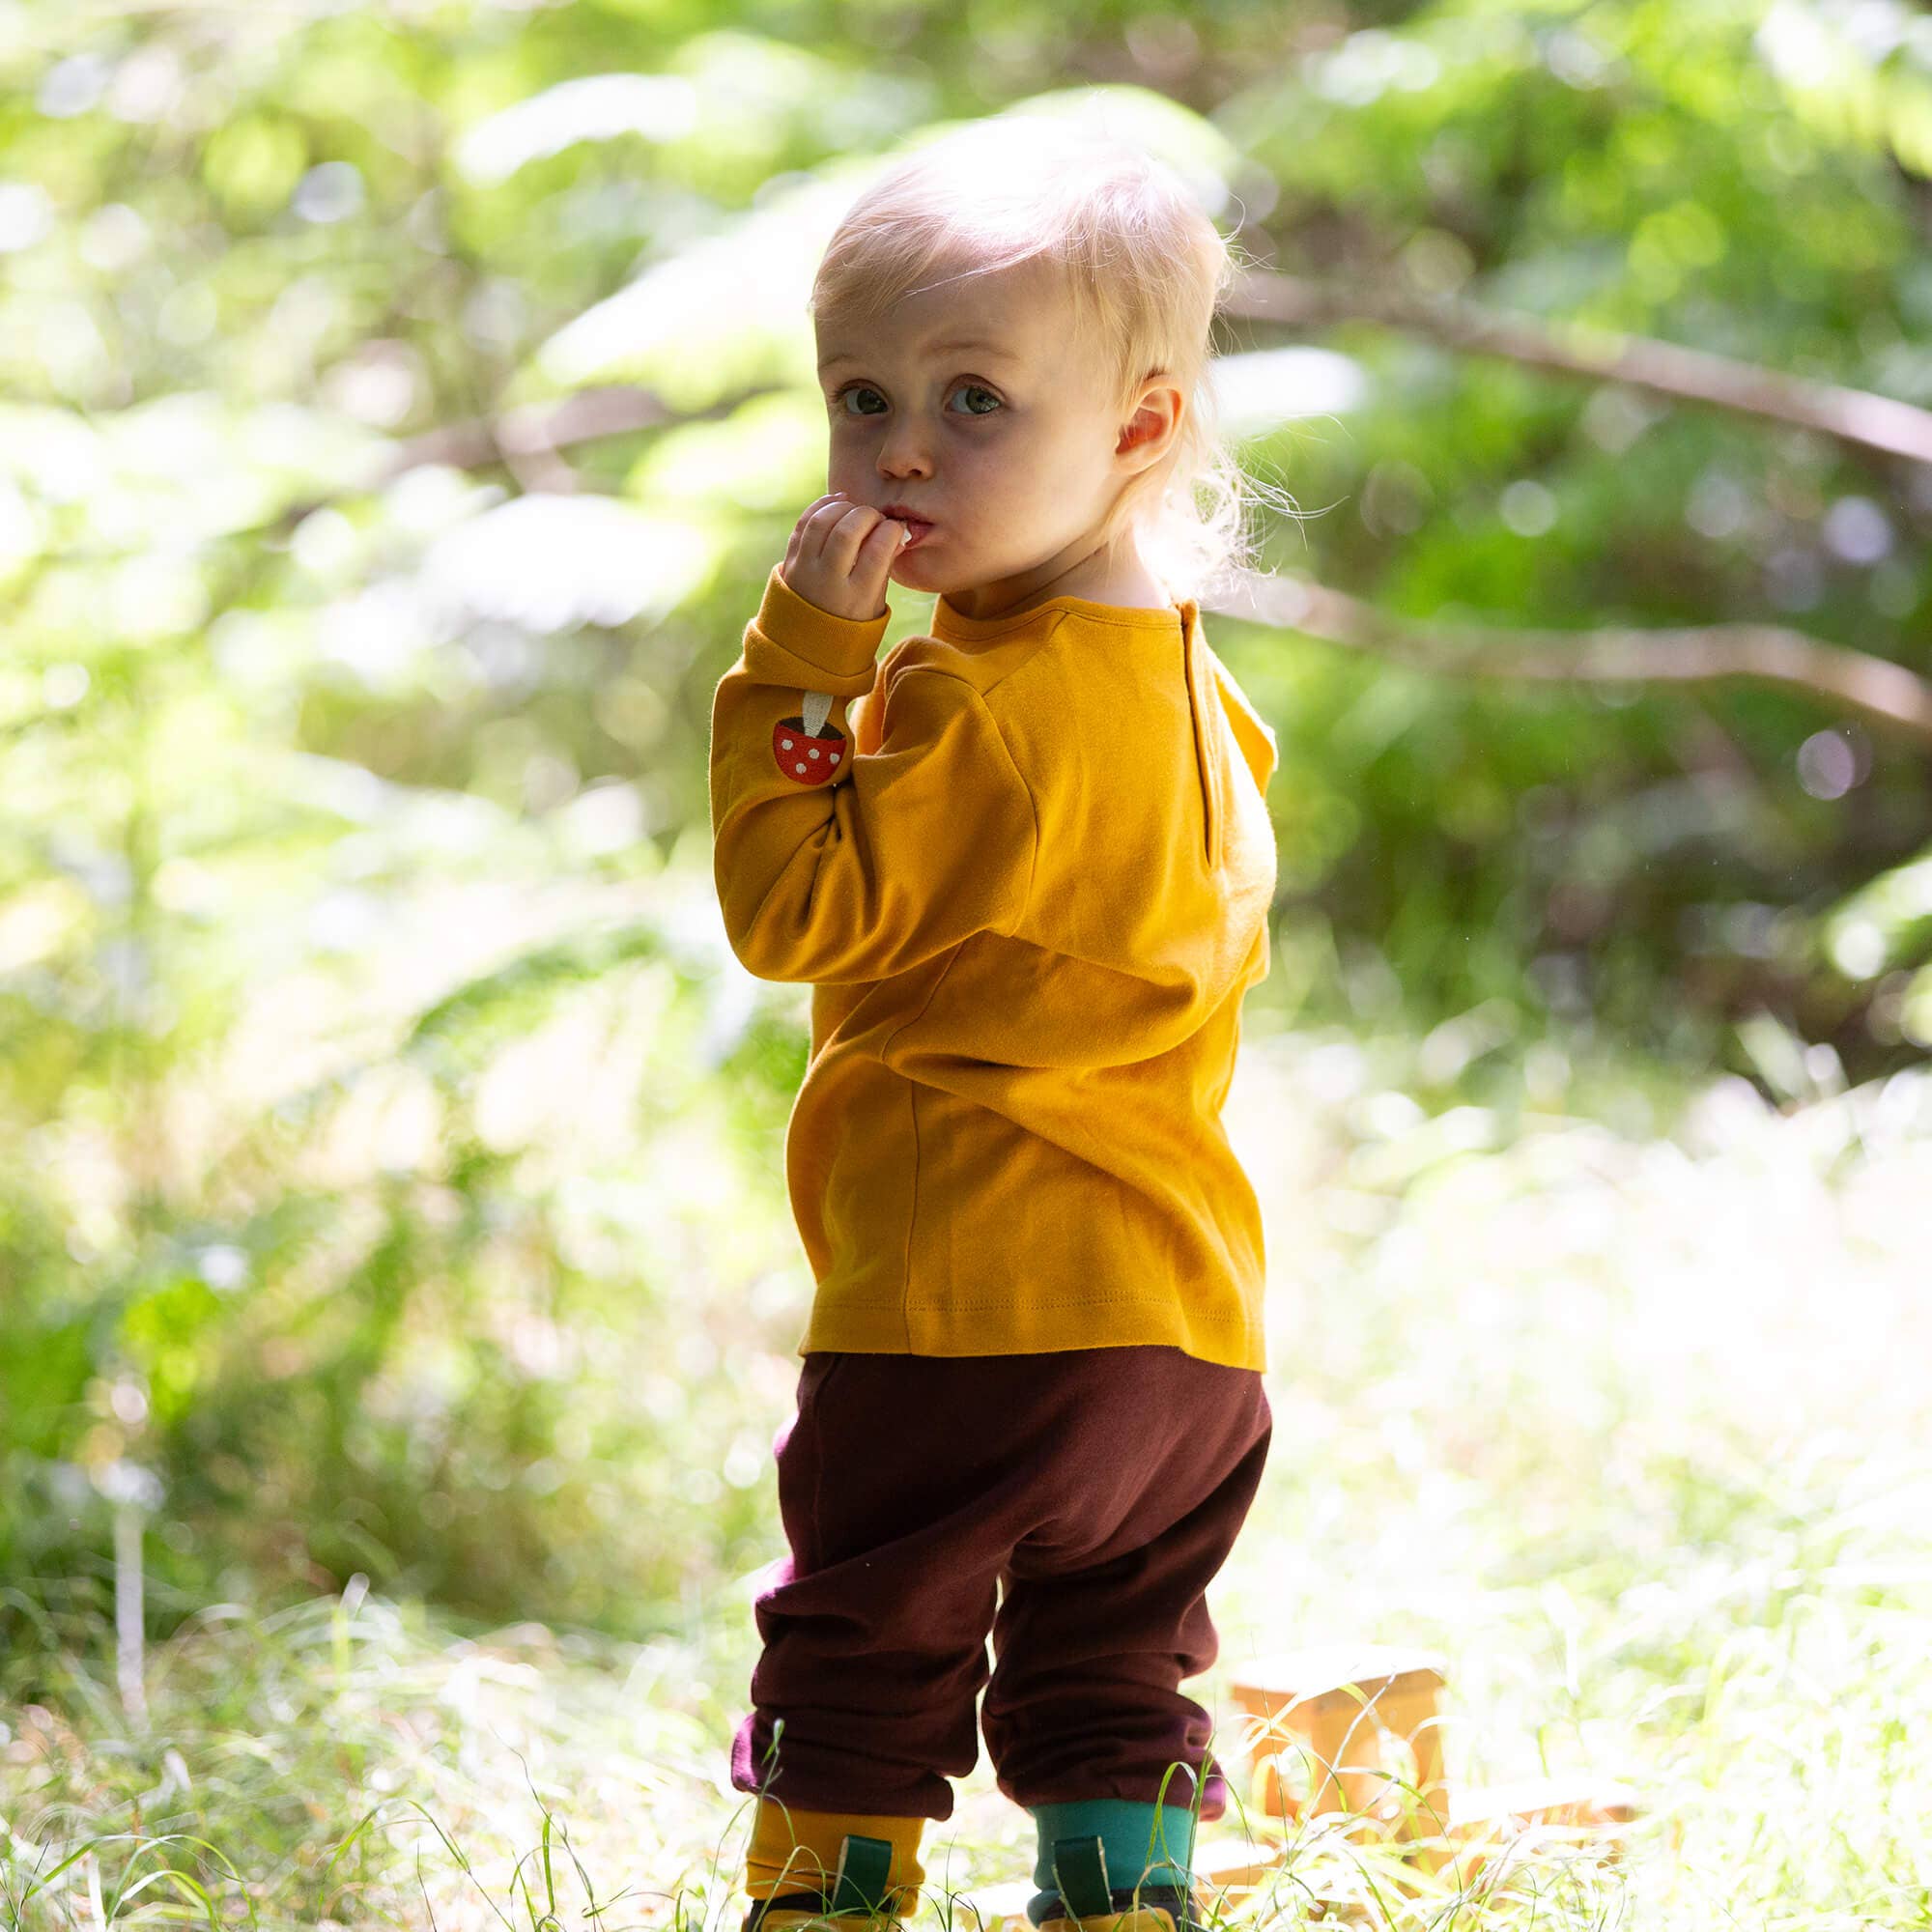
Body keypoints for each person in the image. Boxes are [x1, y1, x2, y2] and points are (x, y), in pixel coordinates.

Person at [707, 110, 1283, 1932]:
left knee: (867, 1645)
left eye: (975, 399)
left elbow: (790, 911)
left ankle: (821, 1904)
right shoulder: (1206, 702)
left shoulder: (987, 710)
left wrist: (803, 664)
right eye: (860, 397)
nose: (900, 449)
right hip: (1186, 1338)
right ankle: (1126, 1901)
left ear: (1139, 427)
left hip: (968, 1304)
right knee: (1115, 1662)